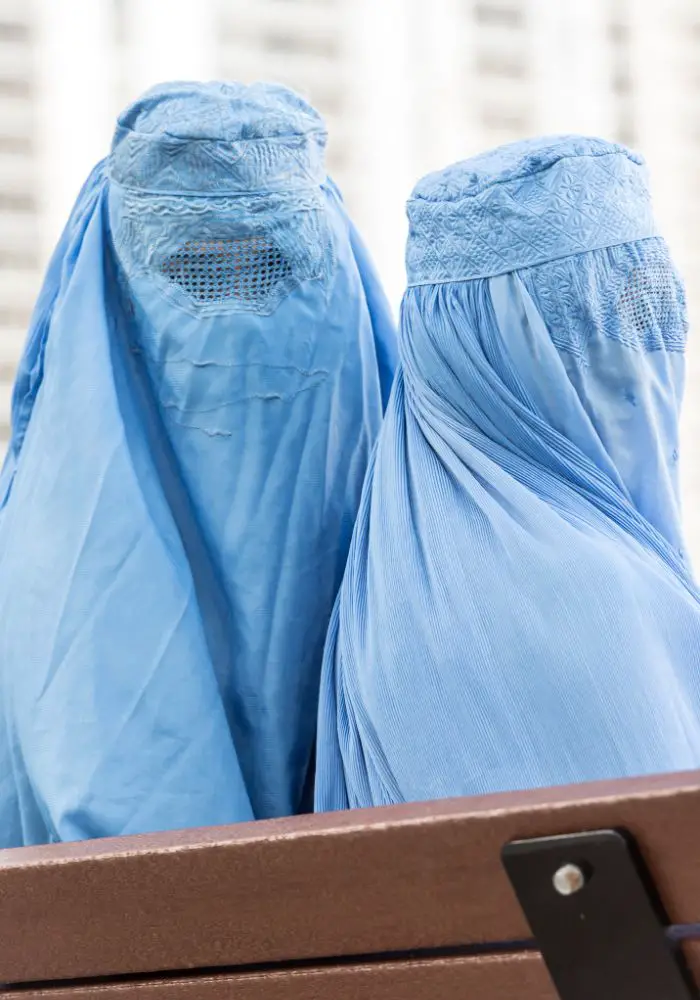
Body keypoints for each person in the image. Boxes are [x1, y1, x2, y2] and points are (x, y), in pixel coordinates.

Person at [0, 81, 396, 846]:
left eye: (274, 268)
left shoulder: (450, 561)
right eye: (196, 274)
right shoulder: (29, 597)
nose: (237, 320)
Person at [315, 135, 700, 812]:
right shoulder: (579, 587)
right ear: (487, 352)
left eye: (655, 305)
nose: (646, 344)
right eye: (592, 317)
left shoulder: (398, 559)